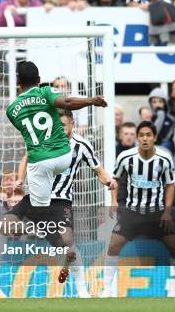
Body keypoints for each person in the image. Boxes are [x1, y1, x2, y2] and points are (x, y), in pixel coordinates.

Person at [13, 110, 117, 297]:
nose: (59, 129)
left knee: (67, 241)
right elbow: (26, 158)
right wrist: (20, 179)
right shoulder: (42, 139)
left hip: (61, 201)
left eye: (63, 125)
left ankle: (81, 290)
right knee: (6, 226)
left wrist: (109, 181)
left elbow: (99, 170)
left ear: (72, 124)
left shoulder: (82, 146)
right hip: (36, 198)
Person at [103, 121, 175, 298]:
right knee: (114, 244)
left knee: (174, 246)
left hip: (157, 212)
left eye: (148, 135)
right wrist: (114, 201)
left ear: (155, 137)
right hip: (132, 212)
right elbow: (116, 179)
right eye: (141, 135)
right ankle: (107, 288)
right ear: (137, 137)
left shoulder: (164, 159)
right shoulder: (126, 157)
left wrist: (167, 212)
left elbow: (170, 185)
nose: (144, 138)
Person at [6, 61, 106, 208]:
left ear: (18, 82)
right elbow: (67, 102)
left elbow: (26, 131)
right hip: (64, 155)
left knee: (40, 211)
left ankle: (41, 222)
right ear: (39, 80)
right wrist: (91, 100)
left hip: (40, 161)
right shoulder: (47, 91)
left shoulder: (11, 109)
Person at [148, 87, 175, 152]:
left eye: (160, 102)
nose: (157, 104)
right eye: (154, 102)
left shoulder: (170, 117)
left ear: (165, 103)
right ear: (151, 104)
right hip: (153, 142)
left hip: (166, 143)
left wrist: (161, 115)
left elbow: (169, 134)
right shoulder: (150, 117)